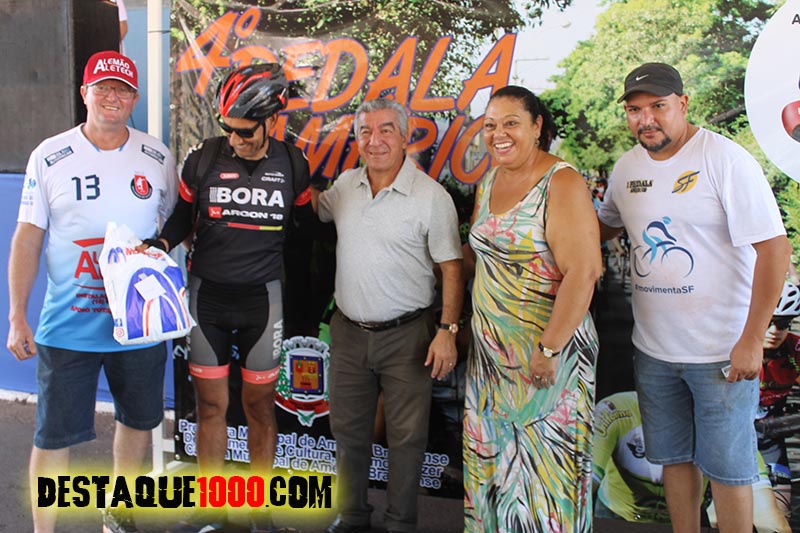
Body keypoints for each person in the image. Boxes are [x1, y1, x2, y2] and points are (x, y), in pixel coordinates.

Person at [597, 62, 792, 533]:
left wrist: (751, 340)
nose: (646, 119)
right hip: (654, 352)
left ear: (683, 104)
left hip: (721, 355)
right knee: (674, 461)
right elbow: (600, 229)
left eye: (658, 106)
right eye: (635, 110)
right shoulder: (627, 168)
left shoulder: (724, 159)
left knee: (729, 471)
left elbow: (774, 249)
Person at [6, 50, 177, 533]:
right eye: (102, 87)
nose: (112, 97)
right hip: (68, 327)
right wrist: (17, 315)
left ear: (134, 99)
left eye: (122, 90)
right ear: (84, 93)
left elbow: (172, 229)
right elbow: (27, 238)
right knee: (52, 436)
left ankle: (117, 516)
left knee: (138, 423)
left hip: (138, 325)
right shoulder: (50, 155)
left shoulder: (157, 156)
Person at [142, 63, 310, 533]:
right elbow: (182, 216)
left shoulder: (293, 164)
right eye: (227, 129)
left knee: (259, 408)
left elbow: (302, 239)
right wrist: (161, 244)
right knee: (211, 408)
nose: (234, 139)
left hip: (262, 302)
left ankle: (261, 513)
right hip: (208, 299)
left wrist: (305, 304)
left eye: (245, 131)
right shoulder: (204, 158)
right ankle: (211, 509)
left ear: (272, 120)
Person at [311, 97, 463, 533]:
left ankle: (401, 524)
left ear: (404, 136)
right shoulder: (346, 186)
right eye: (365, 132)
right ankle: (352, 517)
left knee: (407, 438)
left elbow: (452, 268)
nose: (374, 140)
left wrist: (448, 331)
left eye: (385, 130)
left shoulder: (431, 197)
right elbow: (316, 206)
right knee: (348, 433)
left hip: (408, 335)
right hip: (348, 332)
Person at [463, 85, 602, 532]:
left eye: (511, 123)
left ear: (537, 126)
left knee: (544, 483)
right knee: (494, 478)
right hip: (491, 364)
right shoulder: (489, 182)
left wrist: (550, 347)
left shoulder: (562, 182)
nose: (498, 134)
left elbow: (584, 271)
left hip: (545, 360)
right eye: (490, 125)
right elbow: (482, 256)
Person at [592, 391, 791, 532]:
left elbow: (766, 516)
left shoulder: (725, 426)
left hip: (688, 519)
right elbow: (582, 485)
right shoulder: (616, 412)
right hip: (618, 517)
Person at [756, 281, 800, 514]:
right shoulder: (731, 341)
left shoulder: (794, 349)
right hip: (728, 436)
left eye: (782, 324)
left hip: (769, 437)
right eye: (768, 321)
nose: (774, 331)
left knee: (780, 513)